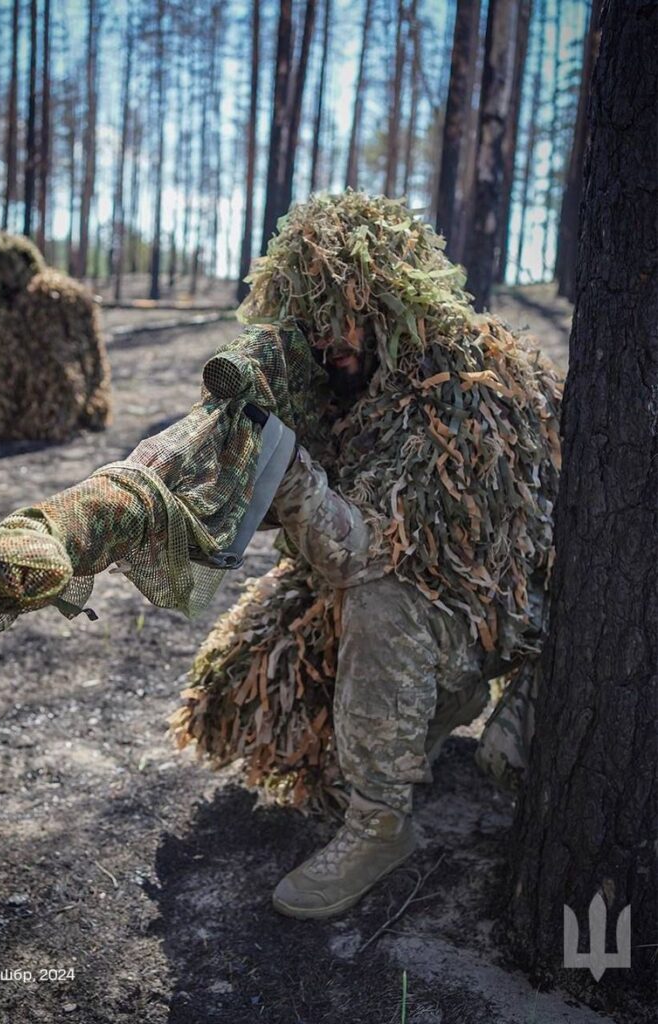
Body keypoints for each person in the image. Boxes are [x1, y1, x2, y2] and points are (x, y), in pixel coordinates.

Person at [231, 193, 560, 921]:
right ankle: (445, 706)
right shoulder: (361, 384)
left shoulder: (460, 388)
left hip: (505, 610)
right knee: (278, 631)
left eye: (347, 310)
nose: (330, 337)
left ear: (392, 298)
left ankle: (379, 824)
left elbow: (371, 553)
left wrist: (287, 471)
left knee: (381, 604)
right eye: (312, 316)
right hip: (454, 594)